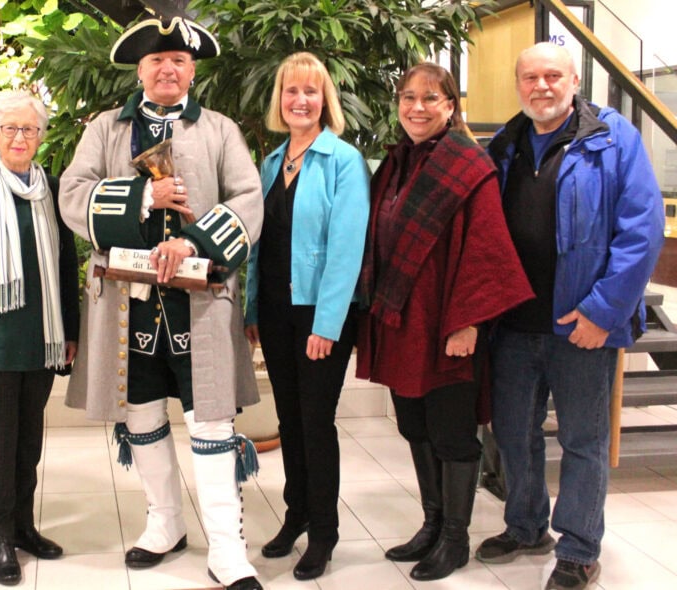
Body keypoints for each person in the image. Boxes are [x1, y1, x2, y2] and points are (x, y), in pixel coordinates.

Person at [59, 17, 264, 590]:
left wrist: (191, 242)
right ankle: (165, 522)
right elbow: (71, 196)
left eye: (178, 60)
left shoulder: (220, 129)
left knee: (212, 421)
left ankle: (227, 549)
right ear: (140, 70)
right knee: (143, 413)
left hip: (202, 303)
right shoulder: (103, 128)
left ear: (193, 69)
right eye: (155, 61)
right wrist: (146, 197)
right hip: (127, 301)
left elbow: (249, 199)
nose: (167, 68)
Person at [476, 43, 664, 590]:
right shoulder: (506, 144)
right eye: (530, 77)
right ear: (518, 84)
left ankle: (579, 549)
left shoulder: (613, 139)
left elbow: (641, 233)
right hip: (513, 324)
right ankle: (527, 525)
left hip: (581, 326)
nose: (542, 86)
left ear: (574, 80)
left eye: (552, 76)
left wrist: (603, 312)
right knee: (514, 433)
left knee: (583, 441)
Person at [355, 62, 533, 581]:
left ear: (451, 106)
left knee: (453, 433)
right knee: (414, 426)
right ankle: (432, 524)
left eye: (430, 98)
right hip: (401, 322)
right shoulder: (395, 164)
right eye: (408, 97)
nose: (417, 107)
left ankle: (455, 538)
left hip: (448, 325)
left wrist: (468, 324)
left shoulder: (468, 166)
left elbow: (487, 250)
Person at [243, 52, 369, 581]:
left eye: (310, 92)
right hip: (274, 314)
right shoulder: (272, 161)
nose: (300, 100)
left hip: (320, 316)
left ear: (325, 100)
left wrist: (327, 324)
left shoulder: (342, 160)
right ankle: (295, 514)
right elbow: (258, 244)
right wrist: (251, 308)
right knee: (290, 421)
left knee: (316, 423)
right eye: (291, 91)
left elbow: (348, 248)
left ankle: (324, 532)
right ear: (280, 100)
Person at [0, 92, 79, 586]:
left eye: (29, 129)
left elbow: (67, 266)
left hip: (43, 341)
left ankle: (23, 527)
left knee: (29, 444)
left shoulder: (55, 190)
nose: (19, 138)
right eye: (9, 129)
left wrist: (72, 331)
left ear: (41, 137)